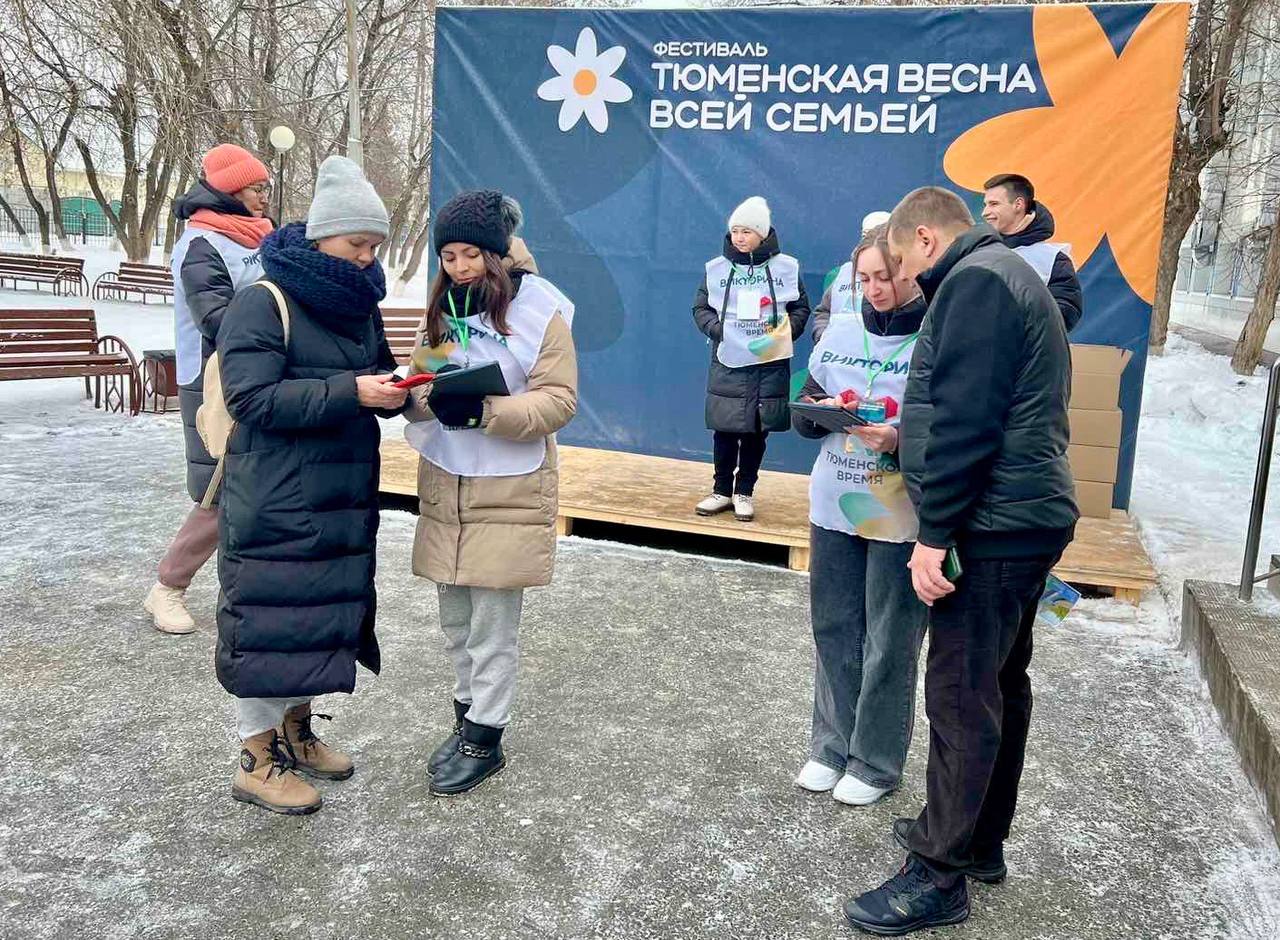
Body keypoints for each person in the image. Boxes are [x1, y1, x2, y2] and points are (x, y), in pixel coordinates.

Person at [842, 186, 1078, 935]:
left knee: (959, 692)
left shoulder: (974, 283)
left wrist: (933, 533)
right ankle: (977, 843)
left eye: (902, 258)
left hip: (994, 524)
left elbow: (967, 422)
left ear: (923, 237)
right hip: (1026, 516)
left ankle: (938, 875)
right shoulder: (1006, 274)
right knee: (999, 686)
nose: (900, 275)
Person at [214, 156, 408, 815]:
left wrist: (398, 392)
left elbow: (373, 376)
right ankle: (254, 756)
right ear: (323, 235)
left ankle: (296, 734)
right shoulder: (260, 301)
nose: (366, 259)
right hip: (275, 497)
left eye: (375, 247)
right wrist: (351, 390)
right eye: (358, 245)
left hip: (338, 497)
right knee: (270, 624)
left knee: (315, 623)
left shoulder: (358, 306)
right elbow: (251, 399)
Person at [403, 190, 578, 797]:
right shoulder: (447, 305)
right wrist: (427, 396)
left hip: (508, 485)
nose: (458, 266)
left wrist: (483, 411)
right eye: (448, 255)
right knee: (455, 618)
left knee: (492, 624)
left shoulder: (541, 311)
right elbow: (418, 380)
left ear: (497, 252)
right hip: (446, 484)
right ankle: (463, 719)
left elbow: (558, 400)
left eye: (470, 253)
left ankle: (486, 735)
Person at [791, 223, 928, 807]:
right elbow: (801, 409)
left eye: (887, 276)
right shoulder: (840, 329)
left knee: (889, 638)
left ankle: (875, 760)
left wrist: (897, 436)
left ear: (913, 271)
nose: (875, 289)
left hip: (900, 512)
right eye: (865, 278)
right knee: (834, 627)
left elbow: (951, 422)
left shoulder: (937, 335)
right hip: (835, 500)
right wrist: (821, 410)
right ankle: (830, 745)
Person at [144, 144, 273, 635]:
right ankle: (167, 588)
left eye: (265, 187)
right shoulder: (202, 243)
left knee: (257, 482)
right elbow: (215, 318)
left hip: (255, 372)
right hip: (212, 379)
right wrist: (275, 331)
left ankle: (244, 588)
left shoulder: (258, 235)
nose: (264, 196)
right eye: (257, 187)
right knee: (218, 488)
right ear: (232, 189)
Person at [692, 197, 811, 522]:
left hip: (768, 364)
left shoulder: (786, 267)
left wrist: (785, 334)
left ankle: (744, 492)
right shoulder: (716, 269)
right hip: (728, 362)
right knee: (725, 429)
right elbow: (700, 308)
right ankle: (720, 491)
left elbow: (801, 308)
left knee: (757, 431)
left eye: (747, 231)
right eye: (735, 231)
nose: (739, 237)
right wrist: (719, 330)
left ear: (762, 233)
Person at [982, 173, 1083, 331]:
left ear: (1018, 204)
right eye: (986, 204)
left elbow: (1066, 312)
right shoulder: (977, 251)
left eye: (994, 204)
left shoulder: (1052, 259)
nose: (985, 212)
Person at [811, 210, 891, 342]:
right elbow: (824, 312)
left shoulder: (904, 275)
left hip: (880, 357)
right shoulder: (842, 272)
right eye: (867, 235)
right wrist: (823, 337)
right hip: (838, 356)